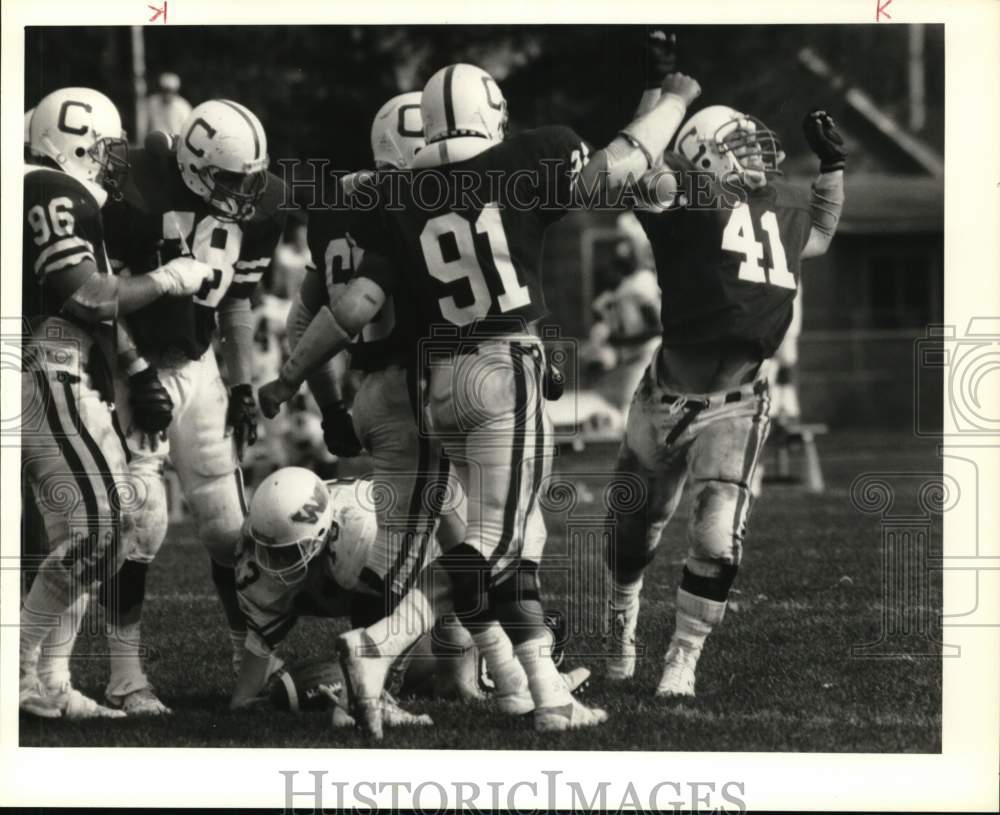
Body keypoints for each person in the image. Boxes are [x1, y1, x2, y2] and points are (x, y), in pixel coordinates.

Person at [260, 45, 703, 733]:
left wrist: (289, 377)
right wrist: (674, 102)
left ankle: (543, 693)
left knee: (508, 539)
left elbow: (353, 304)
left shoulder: (397, 195)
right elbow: (620, 165)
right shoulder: (529, 155)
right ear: (491, 112)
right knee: (497, 543)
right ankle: (380, 645)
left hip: (438, 380)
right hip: (504, 366)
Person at [603, 79, 846, 698]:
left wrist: (833, 168)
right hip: (664, 397)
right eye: (740, 143)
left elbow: (818, 234)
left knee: (716, 538)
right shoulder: (683, 193)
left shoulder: (782, 209)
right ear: (701, 152)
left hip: (738, 400)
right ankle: (620, 627)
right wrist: (657, 102)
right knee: (633, 532)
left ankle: (682, 659)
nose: (759, 153)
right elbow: (630, 172)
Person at [20, 87, 214, 718]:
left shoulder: (62, 192)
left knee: (92, 530)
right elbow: (90, 296)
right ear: (70, 142)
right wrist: (166, 279)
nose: (109, 162)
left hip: (72, 365)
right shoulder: (51, 188)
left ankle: (50, 682)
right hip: (45, 364)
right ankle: (17, 667)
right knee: (104, 530)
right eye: (102, 149)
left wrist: (131, 365)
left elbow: (97, 310)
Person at [97, 100, 288, 715]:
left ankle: (250, 667)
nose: (244, 190)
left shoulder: (260, 206)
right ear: (197, 163)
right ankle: (126, 678)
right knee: (140, 523)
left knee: (231, 529)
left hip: (202, 366)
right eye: (232, 178)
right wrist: (132, 369)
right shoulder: (132, 190)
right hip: (134, 364)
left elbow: (233, 302)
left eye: (249, 178)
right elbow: (101, 298)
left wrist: (240, 384)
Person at [140, 72, 193, 138]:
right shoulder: (152, 103)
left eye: (170, 91)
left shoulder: (183, 107)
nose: (167, 94)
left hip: (175, 144)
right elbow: (144, 126)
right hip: (154, 142)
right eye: (165, 90)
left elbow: (187, 130)